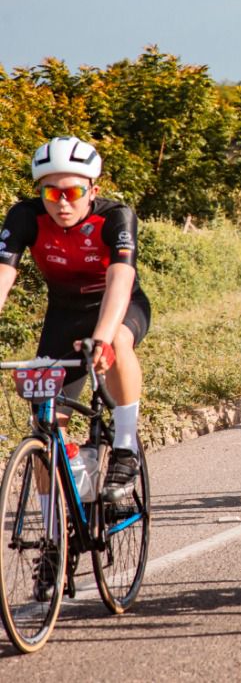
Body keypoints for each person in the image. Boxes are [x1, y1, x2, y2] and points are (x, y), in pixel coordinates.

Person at [0, 138, 150, 511]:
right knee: (46, 425)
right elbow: (3, 274)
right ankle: (56, 538)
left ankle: (125, 447)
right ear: (40, 191)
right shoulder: (24, 216)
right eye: (52, 191)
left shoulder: (115, 217)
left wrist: (101, 338)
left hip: (118, 307)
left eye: (74, 191)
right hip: (64, 315)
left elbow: (120, 281)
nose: (62, 202)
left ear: (93, 190)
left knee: (115, 338)